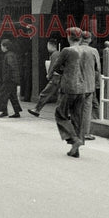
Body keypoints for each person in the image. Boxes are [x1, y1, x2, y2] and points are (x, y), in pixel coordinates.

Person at [48, 28, 99, 158]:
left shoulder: (67, 50)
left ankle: (73, 139)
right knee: (77, 118)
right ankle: (75, 149)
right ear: (81, 38)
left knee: (60, 114)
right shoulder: (88, 50)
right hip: (83, 88)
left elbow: (56, 65)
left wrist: (50, 75)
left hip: (69, 88)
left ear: (69, 37)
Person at [28, 39, 60, 117]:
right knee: (62, 96)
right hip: (61, 78)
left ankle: (37, 109)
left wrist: (49, 75)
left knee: (45, 93)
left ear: (50, 45)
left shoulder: (54, 55)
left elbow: (53, 66)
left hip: (55, 78)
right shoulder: (59, 53)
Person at [0, 39, 22, 118]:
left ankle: (4, 111)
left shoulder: (8, 55)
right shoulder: (11, 54)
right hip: (12, 79)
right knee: (12, 95)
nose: (1, 47)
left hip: (9, 80)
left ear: (5, 47)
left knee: (3, 95)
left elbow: (11, 67)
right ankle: (17, 112)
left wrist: (8, 78)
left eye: (1, 46)